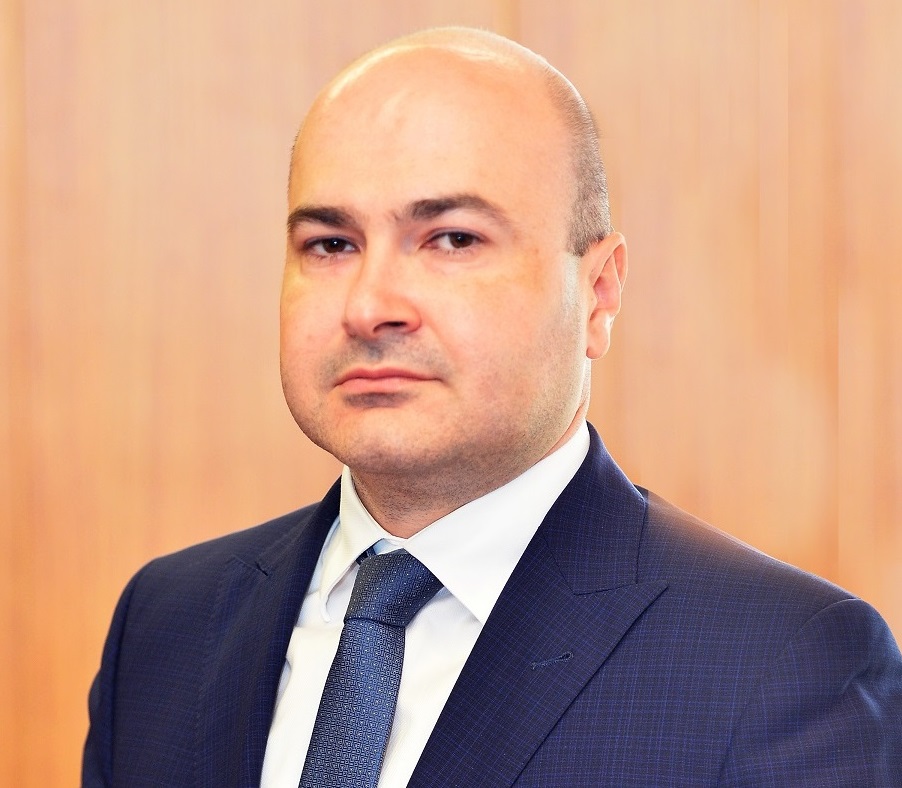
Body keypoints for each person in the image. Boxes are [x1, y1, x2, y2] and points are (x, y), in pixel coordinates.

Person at [83, 27, 902, 787]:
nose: (370, 306)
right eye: (331, 244)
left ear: (599, 292)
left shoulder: (783, 666)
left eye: (452, 240)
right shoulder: (165, 626)